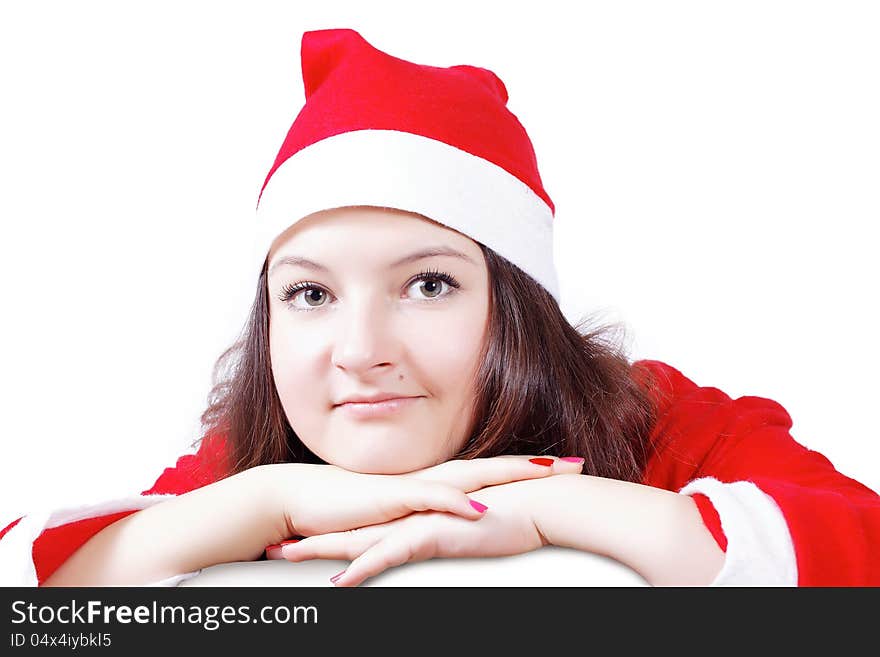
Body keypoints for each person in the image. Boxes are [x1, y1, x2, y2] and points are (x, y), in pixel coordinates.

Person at [1, 28, 877, 588]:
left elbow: (856, 554)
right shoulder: (256, 457)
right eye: (310, 293)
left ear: (518, 306)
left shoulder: (657, 421)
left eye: (428, 285)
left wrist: (545, 511)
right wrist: (267, 498)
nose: (359, 350)